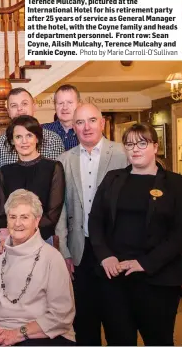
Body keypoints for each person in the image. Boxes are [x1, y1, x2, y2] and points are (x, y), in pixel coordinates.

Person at [88, 122, 182, 346]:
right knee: (119, 340)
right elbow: (95, 221)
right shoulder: (112, 179)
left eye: (142, 143)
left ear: (155, 146)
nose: (135, 149)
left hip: (158, 278)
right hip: (115, 277)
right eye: (130, 144)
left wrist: (145, 263)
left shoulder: (177, 184)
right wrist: (105, 256)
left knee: (159, 340)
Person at [55, 103, 128, 346]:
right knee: (85, 325)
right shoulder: (64, 160)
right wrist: (63, 251)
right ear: (73, 127)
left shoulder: (123, 154)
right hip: (80, 252)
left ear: (102, 122)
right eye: (80, 122)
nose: (86, 127)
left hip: (116, 250)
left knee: (119, 322)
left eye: (92, 120)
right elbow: (61, 209)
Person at [0, 189, 75, 346]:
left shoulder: (52, 258)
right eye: (12, 217)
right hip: (2, 334)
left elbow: (61, 315)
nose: (17, 223)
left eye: (24, 217)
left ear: (37, 220)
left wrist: (17, 334)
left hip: (42, 336)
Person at [0, 115, 65, 242]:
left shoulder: (53, 168)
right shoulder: (5, 171)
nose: (24, 141)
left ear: (37, 138)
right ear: (12, 141)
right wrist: (12, 232)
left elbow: (52, 215)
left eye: (29, 135)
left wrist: (20, 229)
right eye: (18, 137)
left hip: (43, 240)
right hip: (12, 241)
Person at [0, 87, 65, 167]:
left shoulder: (53, 141)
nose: (19, 109)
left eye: (24, 104)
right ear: (8, 111)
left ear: (34, 107)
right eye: (14, 105)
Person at [42, 84, 80, 150]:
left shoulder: (89, 132)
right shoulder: (42, 131)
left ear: (78, 105)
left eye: (70, 102)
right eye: (60, 103)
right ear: (55, 106)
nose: (65, 107)